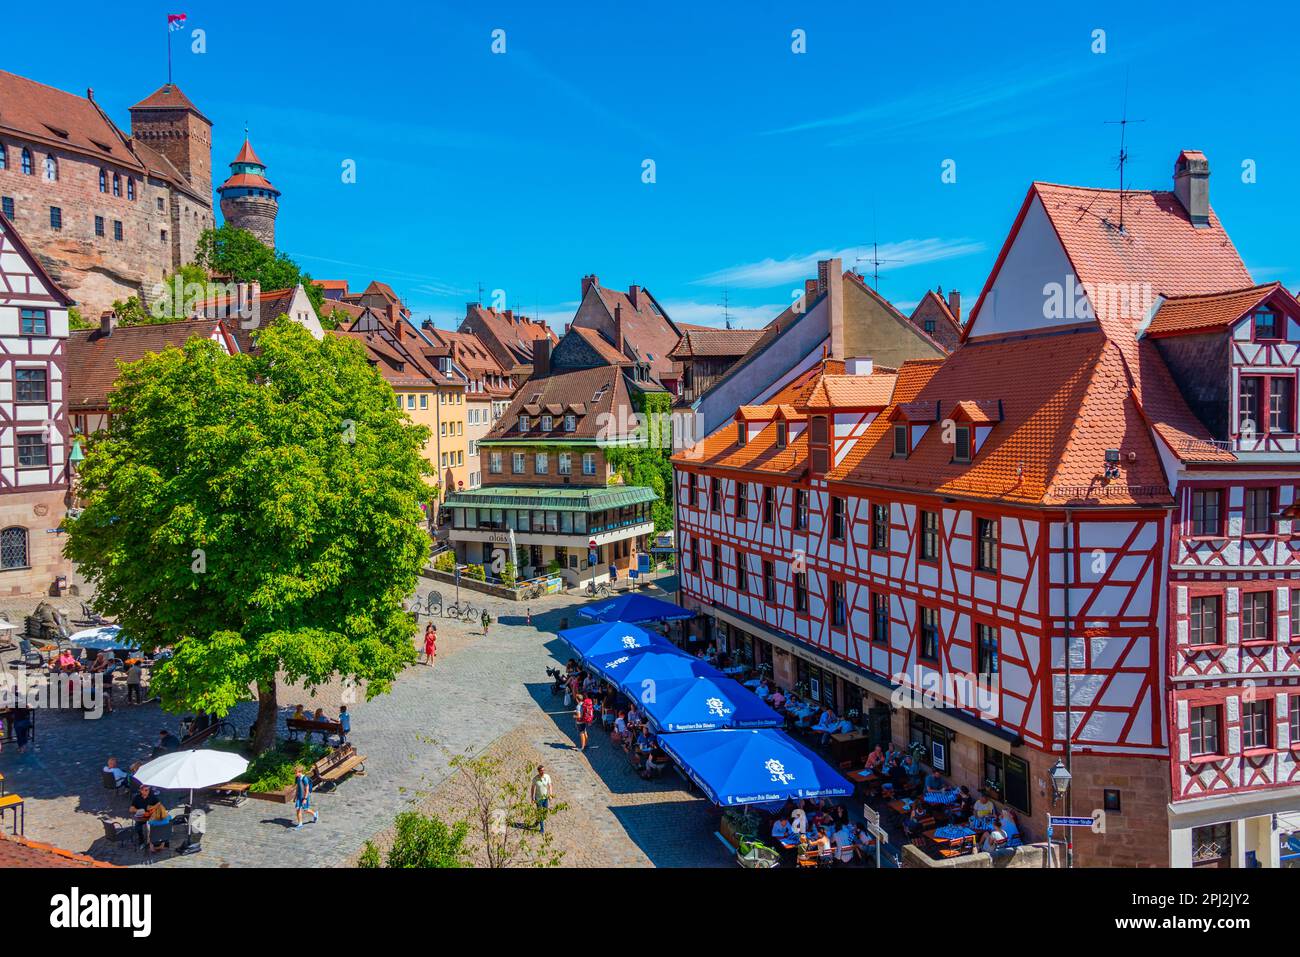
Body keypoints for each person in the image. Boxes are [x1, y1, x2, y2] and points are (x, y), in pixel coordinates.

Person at [293, 765, 319, 830]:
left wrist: (305, 799)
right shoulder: (297, 778)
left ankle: (315, 814)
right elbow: (297, 788)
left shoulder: (304, 778)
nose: (295, 774)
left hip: (305, 796)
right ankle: (300, 824)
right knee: (298, 809)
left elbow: (307, 790)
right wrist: (295, 797)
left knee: (306, 810)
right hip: (299, 796)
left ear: (300, 772)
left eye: (295, 772)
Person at [529, 764, 553, 834]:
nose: (543, 772)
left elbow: (550, 785)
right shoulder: (535, 779)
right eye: (541, 771)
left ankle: (537, 821)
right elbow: (532, 788)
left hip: (545, 798)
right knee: (541, 813)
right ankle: (542, 829)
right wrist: (532, 798)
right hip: (538, 799)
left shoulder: (547, 776)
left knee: (545, 813)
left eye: (543, 770)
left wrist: (550, 795)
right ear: (538, 771)